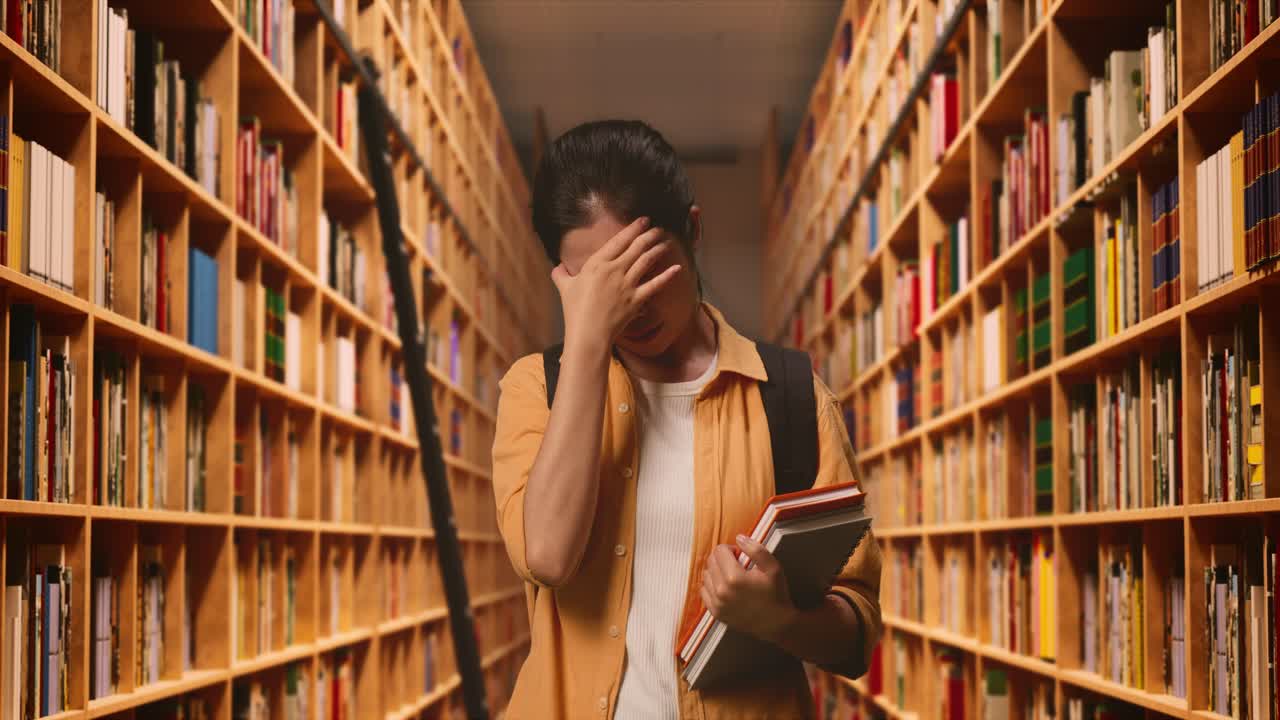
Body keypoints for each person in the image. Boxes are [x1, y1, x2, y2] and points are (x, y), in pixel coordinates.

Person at [491, 119, 882, 719]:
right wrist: (590, 336)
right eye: (603, 284)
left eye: (645, 269)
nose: (634, 304)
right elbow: (547, 555)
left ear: (692, 230)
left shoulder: (795, 398)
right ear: (568, 284)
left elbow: (857, 635)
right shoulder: (535, 389)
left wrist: (782, 619)